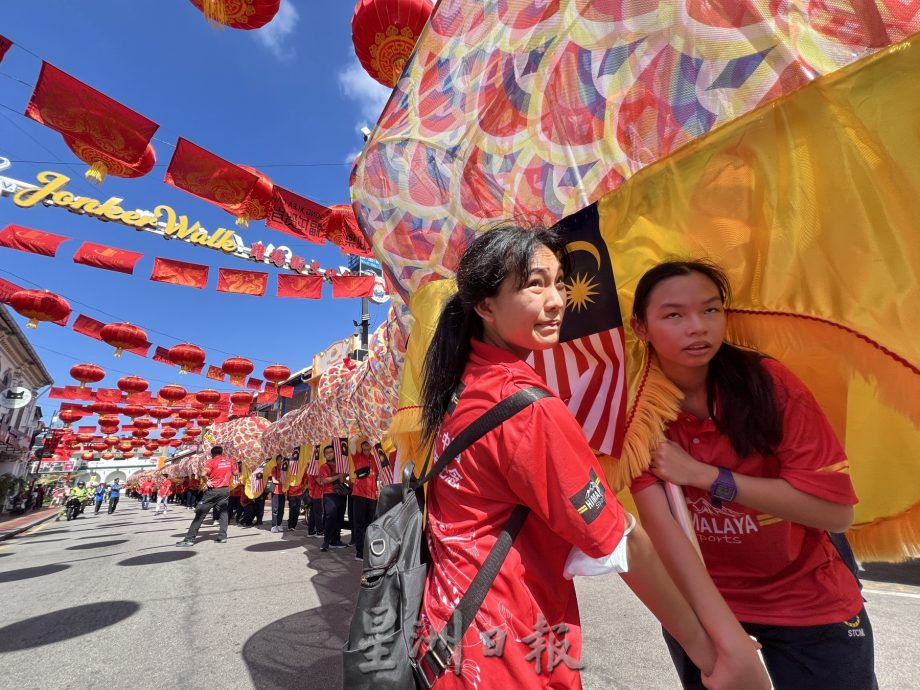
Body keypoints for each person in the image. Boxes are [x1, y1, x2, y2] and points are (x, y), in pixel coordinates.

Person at [413, 226, 767, 689]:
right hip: (506, 650)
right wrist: (712, 653)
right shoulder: (525, 407)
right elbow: (621, 541)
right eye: (534, 284)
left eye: (560, 283)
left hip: (448, 633)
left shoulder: (465, 385)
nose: (556, 301)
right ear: (485, 306)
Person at [628, 259, 876, 690]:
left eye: (710, 310)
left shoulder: (768, 386)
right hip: (705, 603)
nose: (698, 327)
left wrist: (706, 476)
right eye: (674, 315)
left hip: (808, 598)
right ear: (640, 327)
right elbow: (662, 529)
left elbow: (835, 514)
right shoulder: (634, 409)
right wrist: (726, 640)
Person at [176, 446, 234, 547]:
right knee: (223, 513)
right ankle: (222, 537)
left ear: (212, 454)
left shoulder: (211, 462)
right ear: (221, 452)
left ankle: (189, 539)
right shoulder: (230, 461)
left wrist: (207, 481)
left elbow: (203, 473)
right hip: (225, 490)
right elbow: (236, 473)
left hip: (213, 490)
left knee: (200, 513)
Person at [316, 445, 349, 552]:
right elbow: (324, 481)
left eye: (331, 452)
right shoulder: (324, 466)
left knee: (339, 518)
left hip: (341, 494)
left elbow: (343, 479)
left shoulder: (341, 466)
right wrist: (338, 476)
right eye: (327, 453)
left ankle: (336, 540)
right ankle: (326, 541)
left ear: (335, 453)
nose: (329, 454)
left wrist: (344, 476)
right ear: (325, 455)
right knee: (330, 517)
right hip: (329, 495)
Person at [350, 439, 377, 562]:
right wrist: (361, 434)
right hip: (359, 494)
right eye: (364, 442)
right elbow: (351, 444)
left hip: (372, 496)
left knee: (370, 525)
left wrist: (371, 437)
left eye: (368, 441)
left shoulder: (375, 458)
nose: (366, 443)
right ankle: (360, 552)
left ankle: (369, 550)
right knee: (359, 524)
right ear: (361, 445)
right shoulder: (357, 456)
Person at [270, 459, 286, 533]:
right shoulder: (274, 468)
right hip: (276, 492)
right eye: (279, 459)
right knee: (275, 509)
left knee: (281, 509)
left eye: (282, 459)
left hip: (282, 492)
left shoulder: (284, 468)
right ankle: (274, 526)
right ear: (276, 460)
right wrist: (281, 482)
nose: (281, 461)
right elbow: (274, 480)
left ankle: (279, 524)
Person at [306, 472, 324, 537]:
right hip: (317, 495)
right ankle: (320, 532)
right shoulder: (315, 472)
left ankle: (311, 531)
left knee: (313, 514)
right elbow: (320, 482)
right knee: (318, 514)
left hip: (313, 494)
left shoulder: (311, 471)